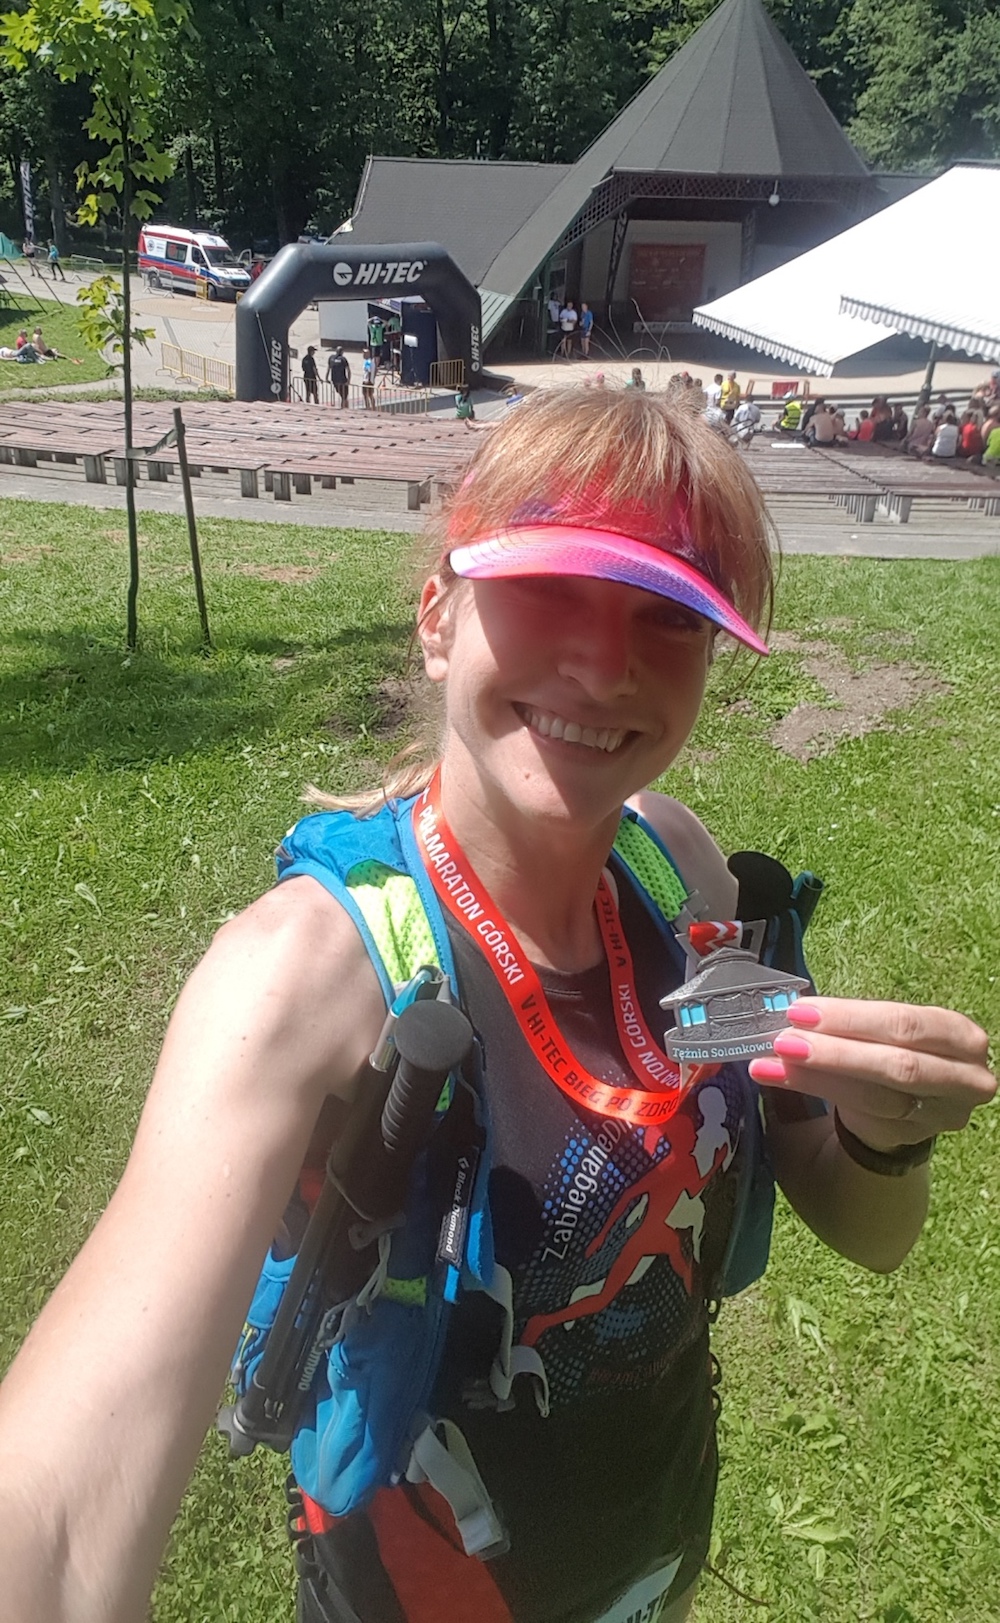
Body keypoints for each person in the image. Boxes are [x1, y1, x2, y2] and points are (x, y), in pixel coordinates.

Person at [0, 388, 992, 1623]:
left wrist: (885, 1139)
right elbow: (59, 1507)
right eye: (549, 588)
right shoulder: (304, 979)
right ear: (438, 616)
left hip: (652, 1562)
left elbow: (864, 1225)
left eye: (669, 615)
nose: (604, 665)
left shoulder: (676, 872)